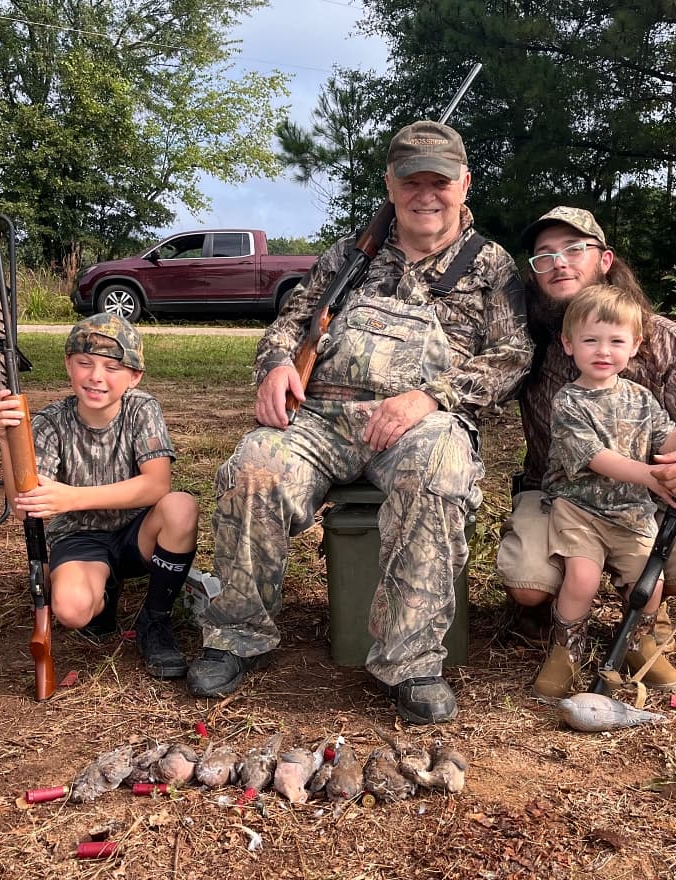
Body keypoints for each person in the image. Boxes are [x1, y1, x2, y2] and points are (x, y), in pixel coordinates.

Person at [184, 120, 532, 724]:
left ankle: (412, 661)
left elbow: (513, 357)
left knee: (439, 468)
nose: (427, 194)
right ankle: (237, 636)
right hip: (319, 418)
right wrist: (274, 367)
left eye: (440, 182)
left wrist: (431, 397)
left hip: (420, 423)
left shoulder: (492, 266)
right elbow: (291, 322)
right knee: (252, 470)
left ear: (465, 184)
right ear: (390, 186)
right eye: (412, 181)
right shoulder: (350, 254)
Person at [497, 206, 676, 650]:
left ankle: (647, 607)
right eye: (544, 256)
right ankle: (557, 616)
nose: (559, 263)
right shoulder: (523, 341)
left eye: (574, 249)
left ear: (605, 261)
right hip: (561, 496)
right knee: (528, 582)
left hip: (651, 498)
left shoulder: (664, 338)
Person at [0, 313, 199, 681]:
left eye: (111, 367)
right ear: (68, 366)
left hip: (138, 532)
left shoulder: (142, 409)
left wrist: (71, 497)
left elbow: (157, 486)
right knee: (72, 612)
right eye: (84, 363)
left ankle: (156, 619)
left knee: (181, 507)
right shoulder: (51, 422)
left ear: (134, 377)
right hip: (81, 538)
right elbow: (23, 506)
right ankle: (103, 594)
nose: (96, 377)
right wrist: (8, 441)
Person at [532, 283, 676, 697]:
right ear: (569, 345)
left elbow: (666, 443)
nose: (603, 351)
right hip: (579, 509)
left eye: (615, 341)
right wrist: (649, 476)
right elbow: (594, 457)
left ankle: (637, 644)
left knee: (650, 583)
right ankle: (565, 652)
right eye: (591, 340)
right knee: (582, 579)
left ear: (635, 345)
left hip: (631, 512)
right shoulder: (568, 401)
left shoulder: (642, 399)